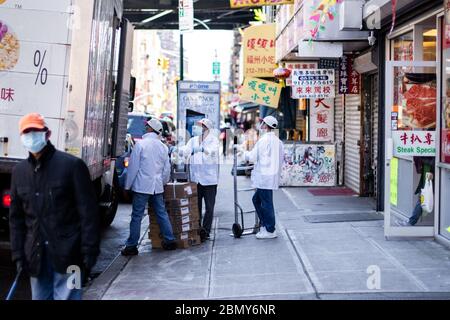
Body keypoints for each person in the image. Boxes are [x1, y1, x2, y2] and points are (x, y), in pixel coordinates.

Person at [9, 113, 100, 300]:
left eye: (36, 131)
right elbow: (16, 219)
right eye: (27, 132)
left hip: (71, 258)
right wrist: (18, 254)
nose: (32, 136)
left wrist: (90, 251)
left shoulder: (72, 166)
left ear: (47, 134)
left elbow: (88, 213)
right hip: (36, 258)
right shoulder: (19, 172)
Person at [121, 118, 177, 255]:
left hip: (141, 186)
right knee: (161, 213)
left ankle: (132, 246)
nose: (145, 128)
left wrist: (127, 186)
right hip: (156, 186)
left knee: (137, 216)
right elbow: (166, 170)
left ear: (151, 129)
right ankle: (170, 240)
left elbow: (133, 168)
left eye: (147, 126)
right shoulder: (163, 147)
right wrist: (161, 183)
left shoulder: (141, 145)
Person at [238, 116, 284, 239]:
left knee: (266, 203)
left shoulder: (264, 140)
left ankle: (270, 229)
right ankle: (265, 225)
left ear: (265, 125)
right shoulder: (278, 141)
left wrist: (242, 153)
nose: (260, 125)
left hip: (265, 178)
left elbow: (252, 157)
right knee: (257, 200)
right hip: (269, 177)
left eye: (262, 123)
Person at [175, 118, 220, 241]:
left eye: (201, 126)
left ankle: (206, 230)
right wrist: (178, 150)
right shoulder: (193, 140)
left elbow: (212, 152)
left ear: (207, 129)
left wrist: (202, 150)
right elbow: (185, 151)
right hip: (196, 179)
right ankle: (198, 229)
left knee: (209, 208)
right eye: (198, 125)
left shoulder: (214, 141)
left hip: (209, 180)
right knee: (196, 206)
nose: (198, 127)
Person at [401, 157, 435, 226]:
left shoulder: (427, 156)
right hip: (429, 171)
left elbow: (433, 160)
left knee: (422, 198)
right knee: (422, 197)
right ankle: (411, 221)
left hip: (432, 171)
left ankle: (411, 222)